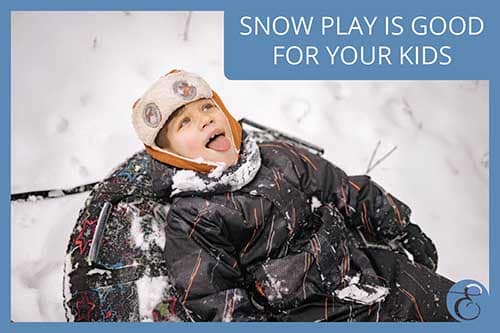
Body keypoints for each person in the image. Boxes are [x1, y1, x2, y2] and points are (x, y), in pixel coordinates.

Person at [63, 69, 454, 322]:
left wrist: (402, 227)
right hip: (307, 311)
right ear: (171, 155)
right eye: (186, 123)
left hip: (366, 268)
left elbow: (344, 188)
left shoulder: (280, 158)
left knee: (448, 304)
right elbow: (213, 296)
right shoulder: (193, 217)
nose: (204, 119)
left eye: (207, 108)